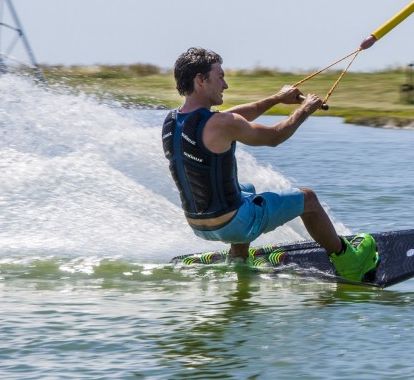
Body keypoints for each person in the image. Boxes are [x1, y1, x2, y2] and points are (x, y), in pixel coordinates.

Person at [162, 47, 378, 281]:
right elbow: (275, 136)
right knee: (308, 199)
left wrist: (277, 98)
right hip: (233, 223)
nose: (225, 85)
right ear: (200, 80)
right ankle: (349, 261)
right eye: (220, 77)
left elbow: (237, 115)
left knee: (246, 189)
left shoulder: (173, 120)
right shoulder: (222, 123)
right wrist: (304, 110)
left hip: (198, 223)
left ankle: (239, 261)